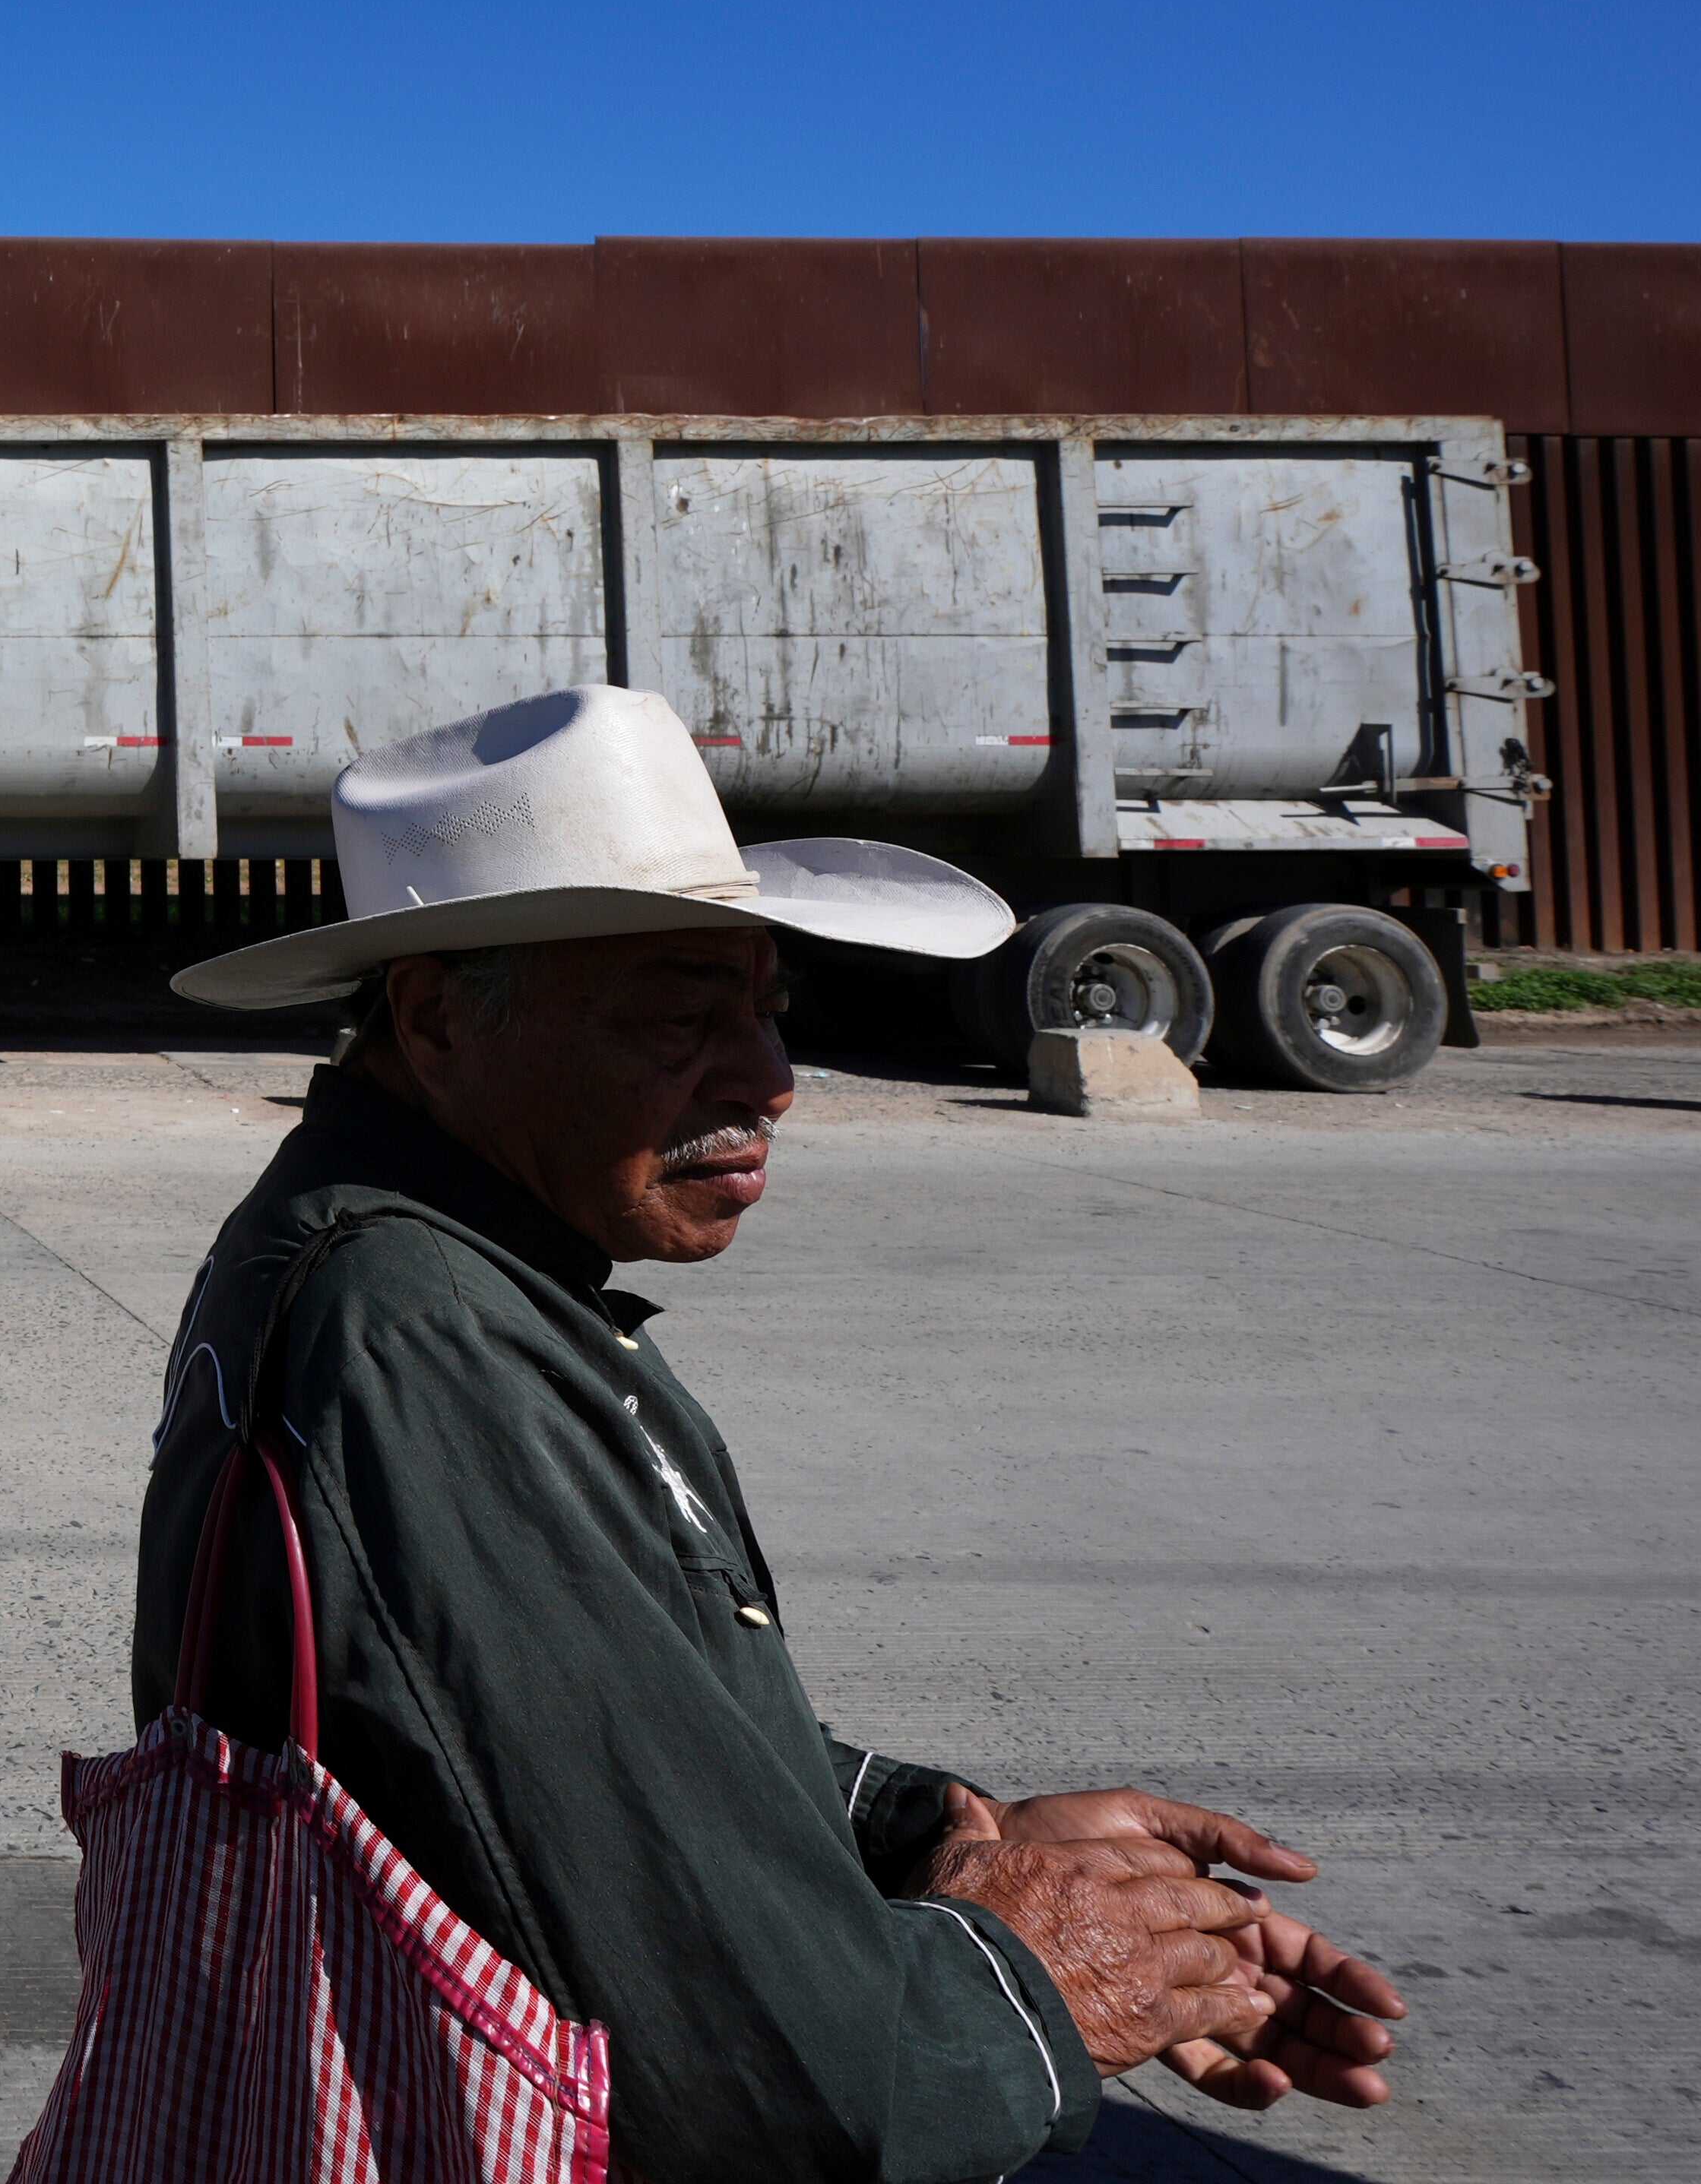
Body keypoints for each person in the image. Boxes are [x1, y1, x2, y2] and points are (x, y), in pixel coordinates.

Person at [144, 686, 1402, 2182]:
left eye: (766, 1007)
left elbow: (606, 1741)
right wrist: (1036, 1965)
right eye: (682, 1016)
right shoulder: (421, 1333)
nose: (769, 1078)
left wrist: (941, 1831)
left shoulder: (460, 1276)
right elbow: (788, 2093)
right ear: (432, 1014)